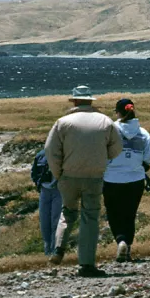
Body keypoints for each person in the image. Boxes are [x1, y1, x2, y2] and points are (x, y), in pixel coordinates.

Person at [44, 85, 122, 277]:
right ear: (90, 101)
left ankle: (58, 248)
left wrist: (58, 173)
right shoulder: (105, 121)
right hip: (94, 176)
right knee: (90, 217)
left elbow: (51, 150)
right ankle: (86, 263)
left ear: (75, 101)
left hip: (68, 175)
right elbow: (117, 148)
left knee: (68, 211)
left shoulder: (63, 122)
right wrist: (103, 158)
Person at [102, 97, 150, 263]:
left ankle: (120, 241)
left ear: (118, 113)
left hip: (111, 178)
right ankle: (128, 247)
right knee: (129, 214)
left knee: (114, 213)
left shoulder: (111, 131)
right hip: (135, 179)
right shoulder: (142, 132)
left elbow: (102, 153)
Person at [30, 146, 62, 256]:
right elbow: (34, 173)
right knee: (44, 221)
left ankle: (54, 250)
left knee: (56, 221)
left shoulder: (65, 154)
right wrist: (39, 184)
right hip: (45, 191)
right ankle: (47, 250)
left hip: (59, 191)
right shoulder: (41, 155)